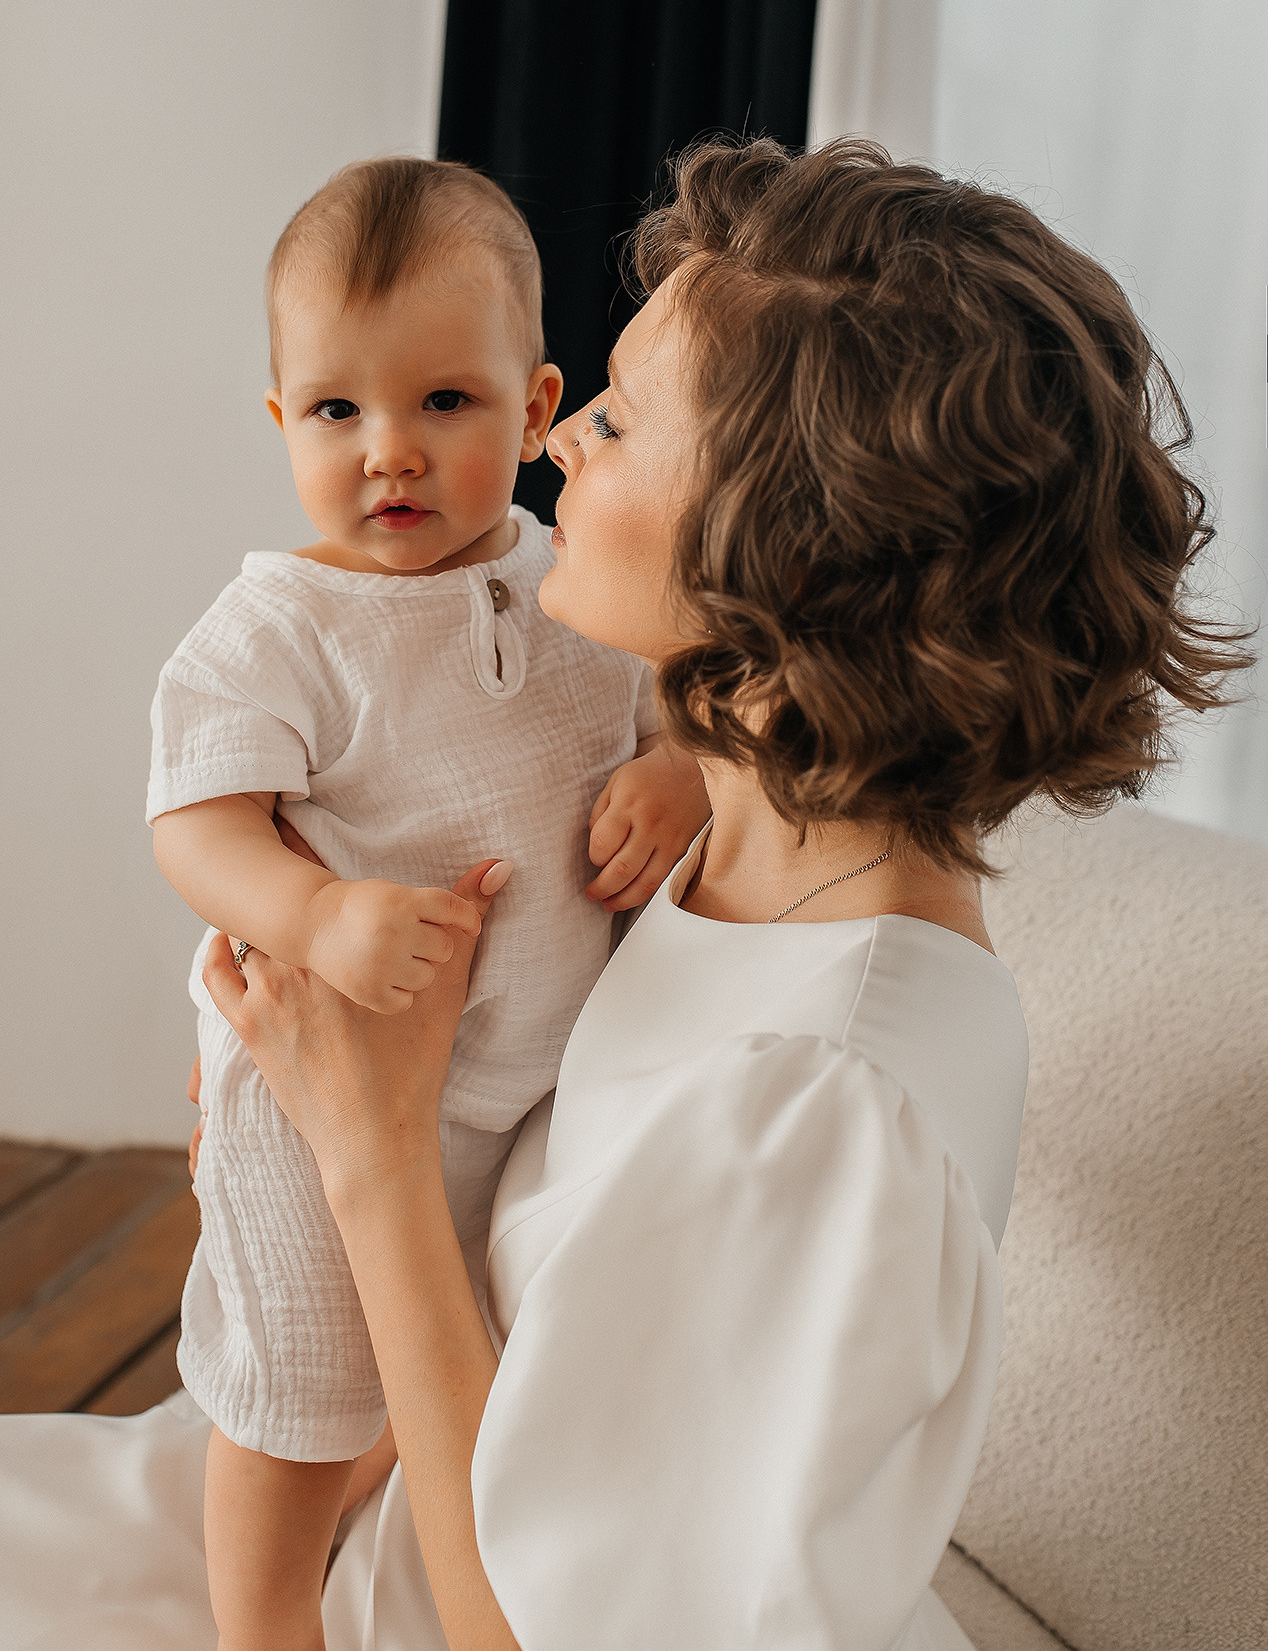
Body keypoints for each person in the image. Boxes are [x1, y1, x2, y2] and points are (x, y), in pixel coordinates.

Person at [0, 137, 1246, 1651]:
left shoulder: (821, 1102)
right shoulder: (731, 843)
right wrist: (298, 1060)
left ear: (786, 543)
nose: (563, 439)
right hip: (368, 1480)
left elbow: (528, 1627)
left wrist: (372, 1147)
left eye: (624, 417)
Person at [145, 157, 710, 1650]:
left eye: (442, 406)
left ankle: (378, 1522)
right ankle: (264, 1620)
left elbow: (658, 713)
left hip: (517, 1097)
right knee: (302, 1390)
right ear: (282, 427)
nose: (387, 453)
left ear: (535, 412)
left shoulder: (577, 582)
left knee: (443, 1358)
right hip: (328, 1094)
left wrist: (678, 776)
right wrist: (314, 914)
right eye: (337, 412)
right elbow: (195, 825)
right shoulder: (277, 630)